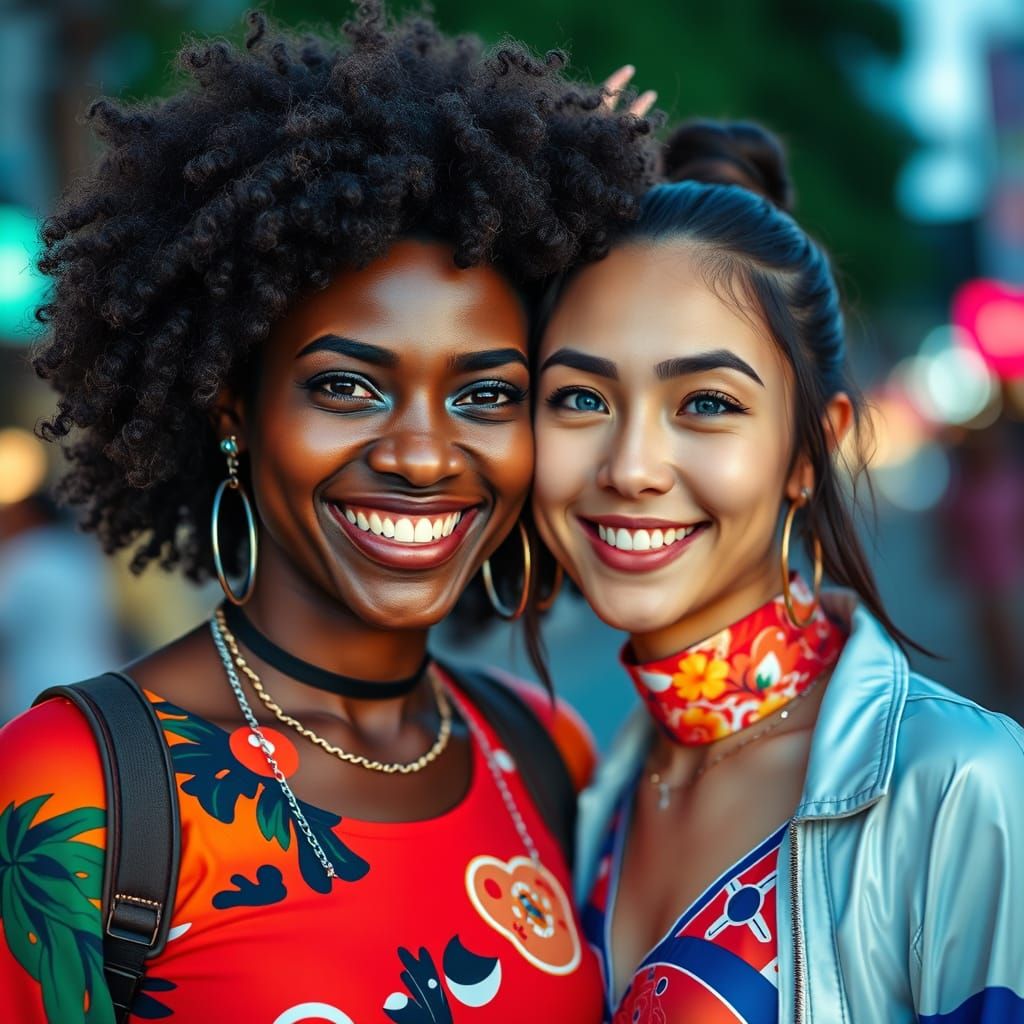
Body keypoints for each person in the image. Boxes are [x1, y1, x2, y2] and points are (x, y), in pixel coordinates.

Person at [0, 6, 660, 1021]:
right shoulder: (72, 787)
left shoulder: (544, 752)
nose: (422, 455)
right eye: (348, 386)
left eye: (486, 395)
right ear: (234, 409)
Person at [531, 121, 1024, 1022]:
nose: (631, 465)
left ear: (812, 450)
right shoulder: (580, 796)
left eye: (707, 403)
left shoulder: (957, 788)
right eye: (580, 399)